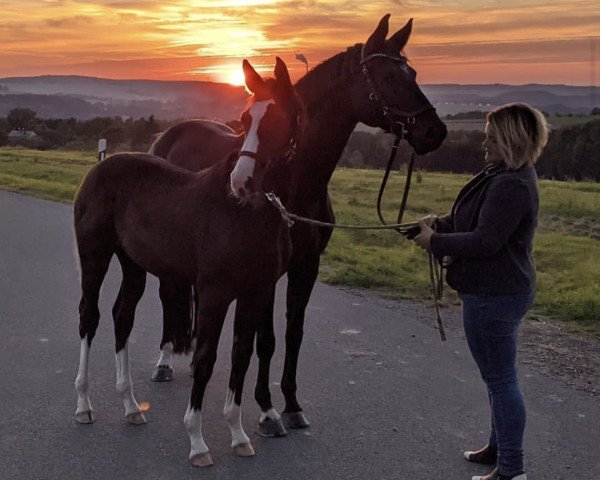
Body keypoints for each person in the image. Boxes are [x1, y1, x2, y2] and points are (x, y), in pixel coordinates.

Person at [413, 103, 549, 480]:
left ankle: (512, 470)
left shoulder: (511, 184)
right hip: (498, 291)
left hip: (495, 295)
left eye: (491, 138)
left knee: (501, 380)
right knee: (498, 376)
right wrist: (437, 225)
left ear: (510, 141)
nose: (483, 145)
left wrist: (436, 242)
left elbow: (486, 241)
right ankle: (499, 448)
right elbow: (474, 221)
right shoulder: (502, 175)